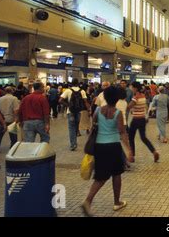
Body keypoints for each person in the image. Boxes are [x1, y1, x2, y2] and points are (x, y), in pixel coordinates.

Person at [81, 86, 134, 217]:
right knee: (116, 174)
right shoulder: (117, 113)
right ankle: (117, 202)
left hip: (99, 146)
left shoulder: (98, 111)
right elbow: (122, 133)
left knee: (100, 176)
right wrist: (129, 151)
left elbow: (94, 127)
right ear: (116, 99)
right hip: (114, 146)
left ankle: (88, 201)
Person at [128, 83, 159, 162]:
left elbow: (129, 107)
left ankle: (132, 155)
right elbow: (145, 107)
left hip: (135, 120)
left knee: (131, 137)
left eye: (131, 87)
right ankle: (154, 151)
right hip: (142, 119)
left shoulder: (136, 97)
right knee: (143, 138)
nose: (131, 88)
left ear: (135, 88)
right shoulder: (143, 96)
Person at [59, 78, 90, 151]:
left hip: (71, 112)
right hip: (79, 111)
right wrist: (89, 110)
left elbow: (60, 100)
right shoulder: (82, 91)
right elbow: (85, 102)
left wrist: (68, 105)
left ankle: (73, 144)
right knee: (76, 127)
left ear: (71, 83)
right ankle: (74, 141)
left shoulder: (68, 90)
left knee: (71, 128)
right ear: (78, 83)